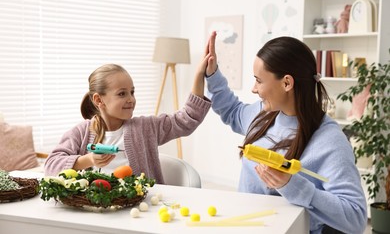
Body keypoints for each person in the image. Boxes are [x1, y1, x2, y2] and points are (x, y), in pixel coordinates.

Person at [202, 31, 367, 234]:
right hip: (244, 226)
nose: (254, 89)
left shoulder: (330, 142)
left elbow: (356, 217)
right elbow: (233, 111)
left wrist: (293, 185)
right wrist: (212, 73)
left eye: (259, 81)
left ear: (287, 83)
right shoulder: (263, 113)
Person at [44, 49, 213, 182]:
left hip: (140, 208)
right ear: (98, 100)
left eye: (132, 92)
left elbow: (187, 120)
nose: (131, 99)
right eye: (122, 94)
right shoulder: (81, 133)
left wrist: (199, 75)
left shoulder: (146, 128)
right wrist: (87, 160)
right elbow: (51, 166)